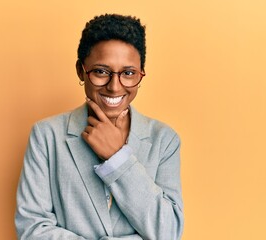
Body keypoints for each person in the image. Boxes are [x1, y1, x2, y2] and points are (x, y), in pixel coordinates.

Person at [15, 14, 184, 240]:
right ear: (80, 70)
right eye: (101, 72)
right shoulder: (46, 136)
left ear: (140, 73)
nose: (115, 87)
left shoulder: (165, 140)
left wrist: (118, 158)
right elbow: (32, 229)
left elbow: (169, 232)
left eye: (128, 73)